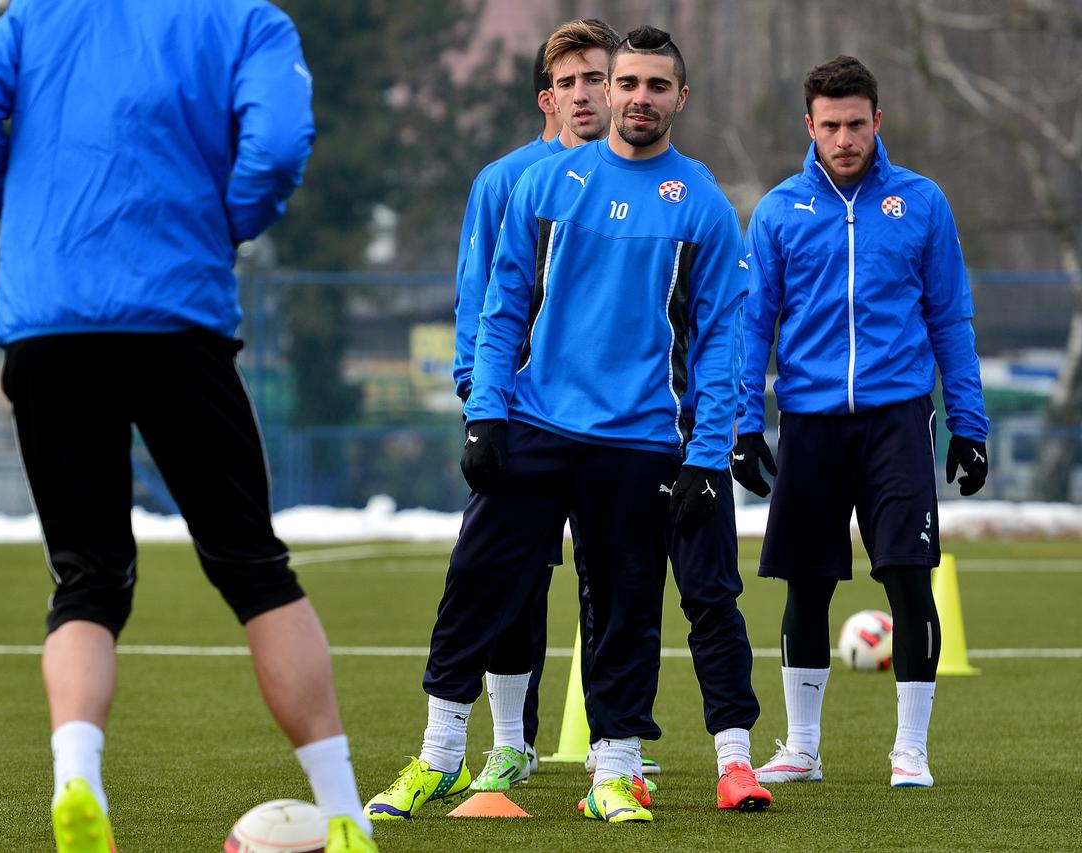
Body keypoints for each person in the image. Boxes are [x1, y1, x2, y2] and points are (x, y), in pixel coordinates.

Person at [0, 3, 375, 851]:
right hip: (176, 317)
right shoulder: (248, 21)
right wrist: (229, 220)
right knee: (255, 571)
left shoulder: (38, 16)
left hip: (48, 321)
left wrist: (20, 205)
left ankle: (78, 781)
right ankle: (346, 811)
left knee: (86, 580)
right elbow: (277, 147)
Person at [364, 25, 770, 824]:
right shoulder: (543, 187)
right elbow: (500, 304)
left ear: (680, 98)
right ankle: (440, 755)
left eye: (659, 86)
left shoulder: (706, 208)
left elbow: (724, 341)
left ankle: (614, 771)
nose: (639, 98)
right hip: (536, 423)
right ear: (606, 92)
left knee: (625, 608)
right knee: (477, 585)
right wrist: (483, 412)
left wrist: (708, 453)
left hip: (640, 439)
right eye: (628, 84)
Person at [733, 55, 989, 789]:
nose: (844, 138)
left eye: (856, 124)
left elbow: (951, 316)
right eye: (830, 125)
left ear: (877, 122)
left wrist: (969, 423)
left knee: (910, 582)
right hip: (809, 425)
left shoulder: (923, 203)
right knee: (806, 585)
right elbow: (755, 327)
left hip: (898, 423)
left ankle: (911, 749)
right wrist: (746, 424)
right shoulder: (780, 210)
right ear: (808, 127)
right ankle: (802, 748)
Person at [451, 19, 643, 797]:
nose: (586, 91)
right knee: (514, 579)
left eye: (599, 76)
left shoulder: (643, 179)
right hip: (522, 416)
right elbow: (480, 301)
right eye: (570, 80)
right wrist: (480, 401)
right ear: (548, 97)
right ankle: (508, 743)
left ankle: (614, 744)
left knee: (617, 582)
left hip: (615, 427)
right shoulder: (507, 181)